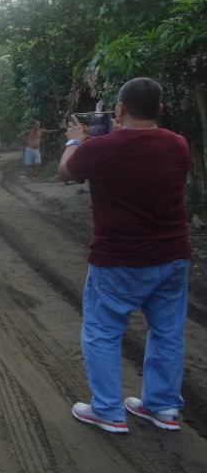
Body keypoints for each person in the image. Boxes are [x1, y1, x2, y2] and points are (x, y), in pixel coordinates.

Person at [58, 77, 191, 434]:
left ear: (119, 108)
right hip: (173, 257)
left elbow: (65, 173)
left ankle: (107, 410)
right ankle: (162, 408)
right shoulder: (179, 145)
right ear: (160, 109)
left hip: (118, 259)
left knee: (102, 332)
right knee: (167, 333)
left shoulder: (100, 149)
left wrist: (75, 140)